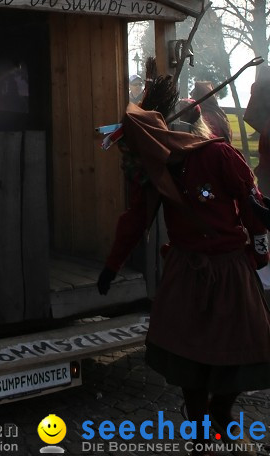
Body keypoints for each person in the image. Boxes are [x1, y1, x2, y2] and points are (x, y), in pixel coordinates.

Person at [98, 76, 270, 443]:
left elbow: (252, 207)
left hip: (228, 270)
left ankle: (220, 417)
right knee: (190, 361)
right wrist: (112, 266)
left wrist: (260, 252)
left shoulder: (220, 154)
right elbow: (135, 220)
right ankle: (204, 436)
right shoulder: (155, 169)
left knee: (244, 350)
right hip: (187, 271)